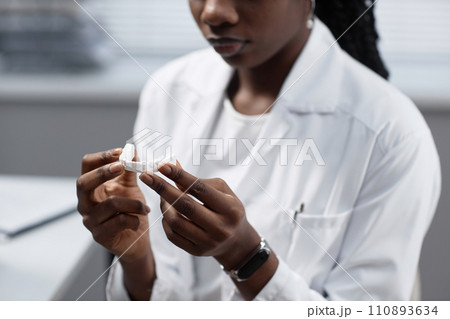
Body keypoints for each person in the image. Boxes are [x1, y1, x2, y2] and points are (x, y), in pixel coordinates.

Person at [76, 0, 441, 301]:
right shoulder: (169, 90)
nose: (213, 13)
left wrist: (247, 259)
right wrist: (136, 256)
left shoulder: (389, 134)